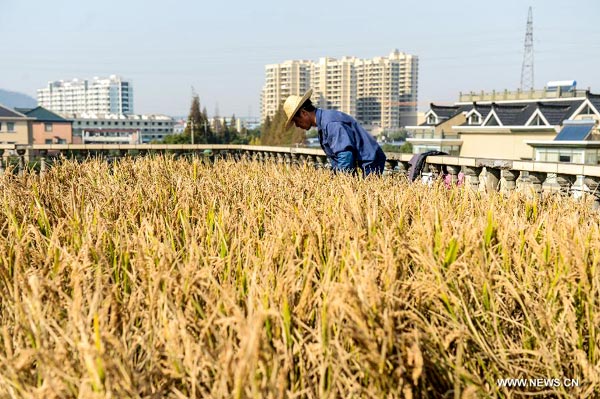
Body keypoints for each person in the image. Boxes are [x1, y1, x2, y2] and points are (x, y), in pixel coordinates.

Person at [283, 89, 386, 176]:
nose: (297, 125)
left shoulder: (330, 123)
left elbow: (345, 155)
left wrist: (341, 181)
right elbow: (337, 158)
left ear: (304, 113)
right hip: (362, 161)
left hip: (370, 162)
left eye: (296, 121)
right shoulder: (323, 124)